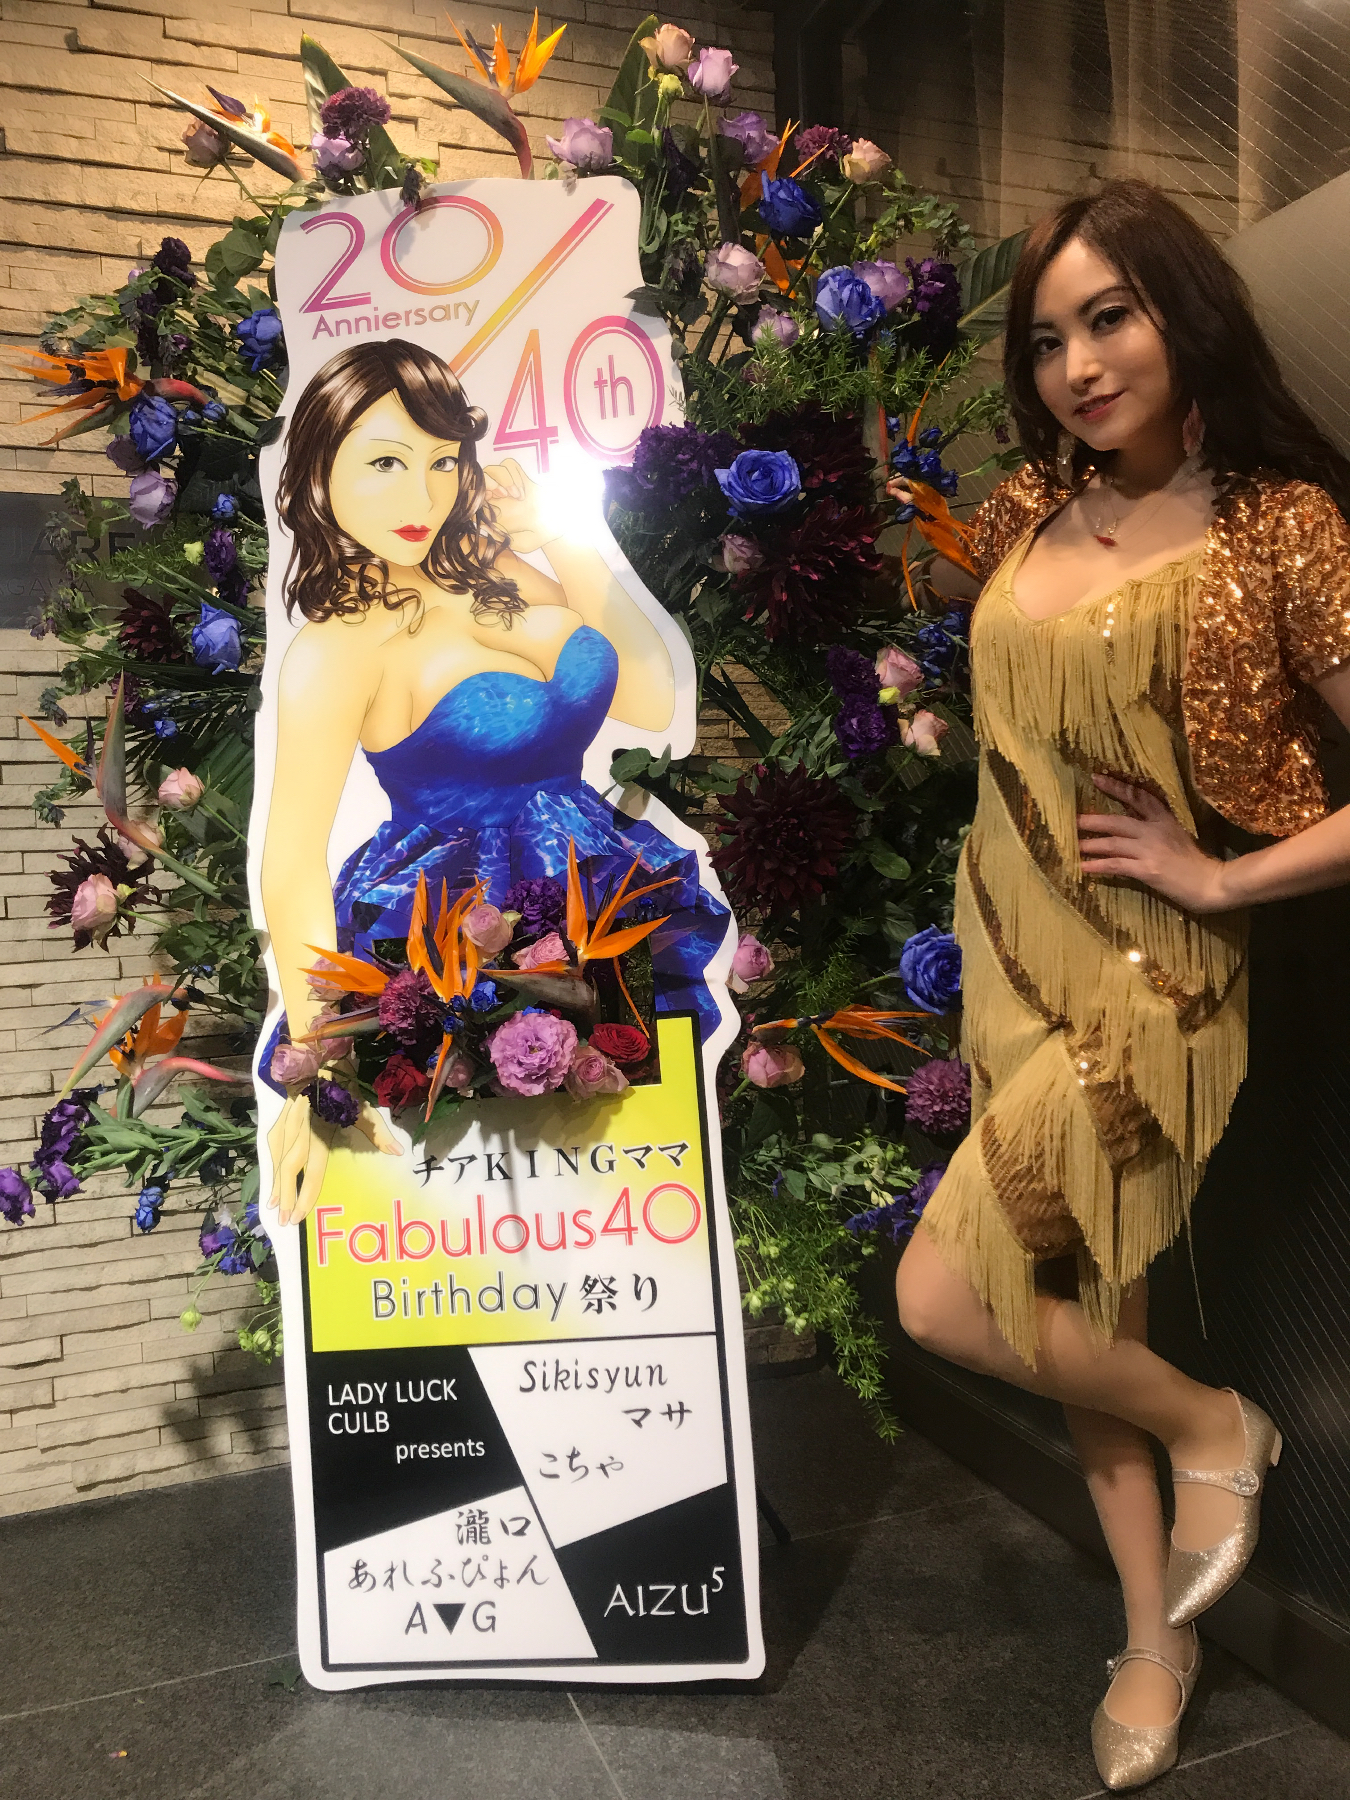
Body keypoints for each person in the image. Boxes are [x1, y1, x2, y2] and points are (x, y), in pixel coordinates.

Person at [889, 179, 1350, 1791]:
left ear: (1182, 313)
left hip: (1154, 979)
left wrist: (1219, 879)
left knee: (944, 1298)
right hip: (1008, 954)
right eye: (1045, 339)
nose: (1077, 365)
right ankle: (1153, 1638)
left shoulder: (1279, 524)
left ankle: (1216, 1426)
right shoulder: (1030, 504)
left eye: (1109, 318)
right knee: (1077, 1309)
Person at [260, 338, 727, 1228]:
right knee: (496, 1188)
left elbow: (646, 694)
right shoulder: (335, 648)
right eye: (386, 462)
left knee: (631, 1167)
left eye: (442, 461)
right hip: (462, 921)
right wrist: (320, 1068)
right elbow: (289, 861)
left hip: (608, 889)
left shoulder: (487, 566)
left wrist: (557, 539)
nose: (422, 496)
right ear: (320, 472)